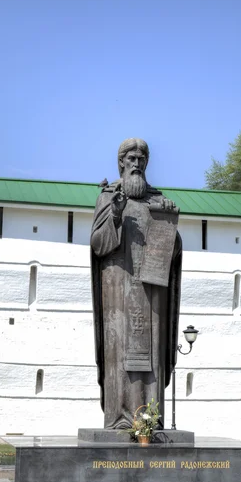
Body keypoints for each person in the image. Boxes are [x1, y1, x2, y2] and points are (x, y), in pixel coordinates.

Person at [91, 138, 182, 429]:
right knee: (119, 354)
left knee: (149, 356)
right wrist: (116, 214)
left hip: (150, 293)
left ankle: (148, 419)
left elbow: (174, 252)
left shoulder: (157, 201)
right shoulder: (108, 197)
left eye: (141, 158)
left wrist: (168, 223)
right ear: (121, 163)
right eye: (131, 158)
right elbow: (98, 245)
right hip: (117, 293)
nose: (136, 163)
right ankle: (118, 417)